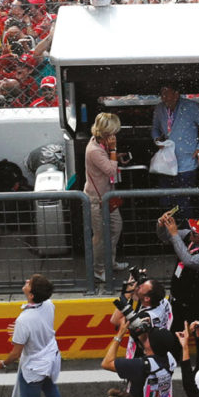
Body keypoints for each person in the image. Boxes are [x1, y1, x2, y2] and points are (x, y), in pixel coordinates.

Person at [0, 273, 75, 397]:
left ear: (31, 295)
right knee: (51, 390)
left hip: (33, 367)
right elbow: (38, 326)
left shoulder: (24, 320)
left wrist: (3, 362)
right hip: (50, 359)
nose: (26, 281)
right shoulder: (48, 305)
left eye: (29, 283)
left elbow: (15, 353)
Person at [149, 86, 199, 213]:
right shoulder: (159, 108)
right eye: (162, 94)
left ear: (176, 94)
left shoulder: (191, 106)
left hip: (186, 162)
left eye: (167, 94)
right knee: (166, 201)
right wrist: (157, 140)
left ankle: (185, 230)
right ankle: (169, 230)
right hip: (166, 162)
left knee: (184, 202)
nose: (164, 97)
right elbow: (154, 128)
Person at [85, 111, 125, 287]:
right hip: (97, 199)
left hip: (107, 197)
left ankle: (110, 261)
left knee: (116, 227)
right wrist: (114, 151)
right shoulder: (94, 150)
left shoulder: (100, 145)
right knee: (100, 235)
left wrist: (116, 155)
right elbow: (110, 170)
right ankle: (98, 268)